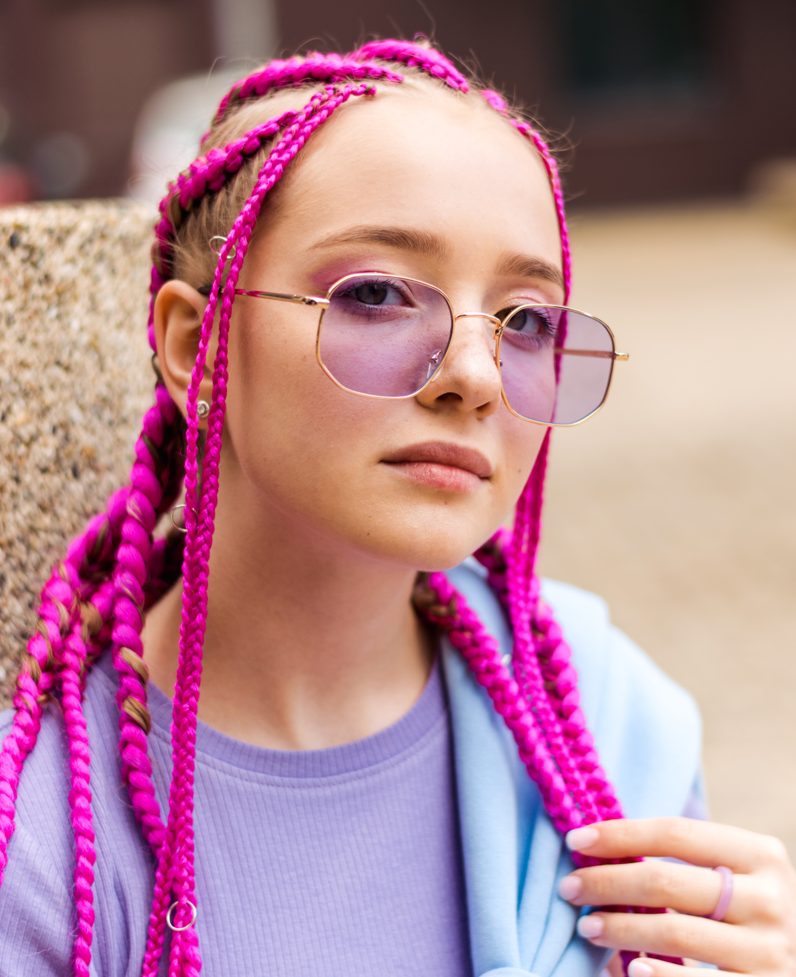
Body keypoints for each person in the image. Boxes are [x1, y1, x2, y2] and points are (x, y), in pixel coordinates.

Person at [0, 37, 793, 977]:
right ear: (195, 345)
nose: (473, 375)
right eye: (376, 294)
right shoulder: (45, 843)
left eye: (527, 320)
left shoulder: (610, 726)